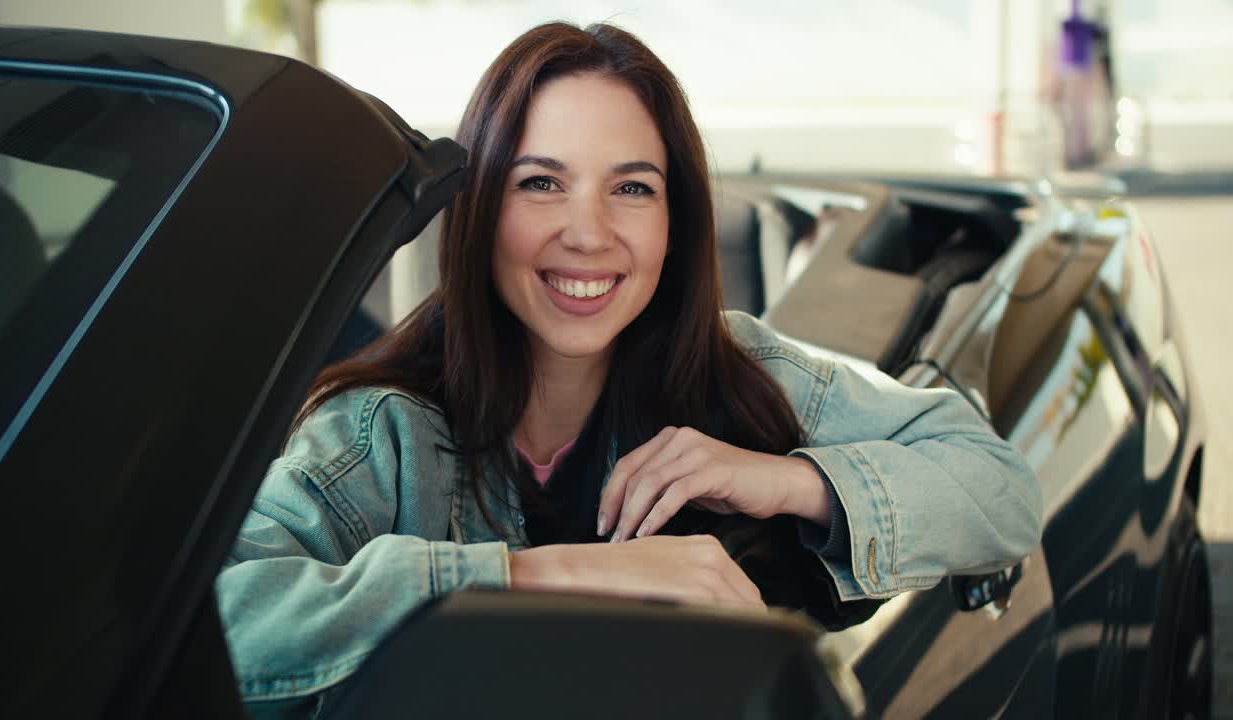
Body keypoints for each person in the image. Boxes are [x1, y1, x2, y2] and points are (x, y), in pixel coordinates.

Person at [216, 21, 1042, 714]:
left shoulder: (736, 368)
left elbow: (1000, 488)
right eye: (542, 183)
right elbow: (216, 624)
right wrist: (540, 577)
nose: (589, 233)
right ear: (480, 209)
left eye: (633, 189)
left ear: (676, 222)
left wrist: (784, 479)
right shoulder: (377, 434)